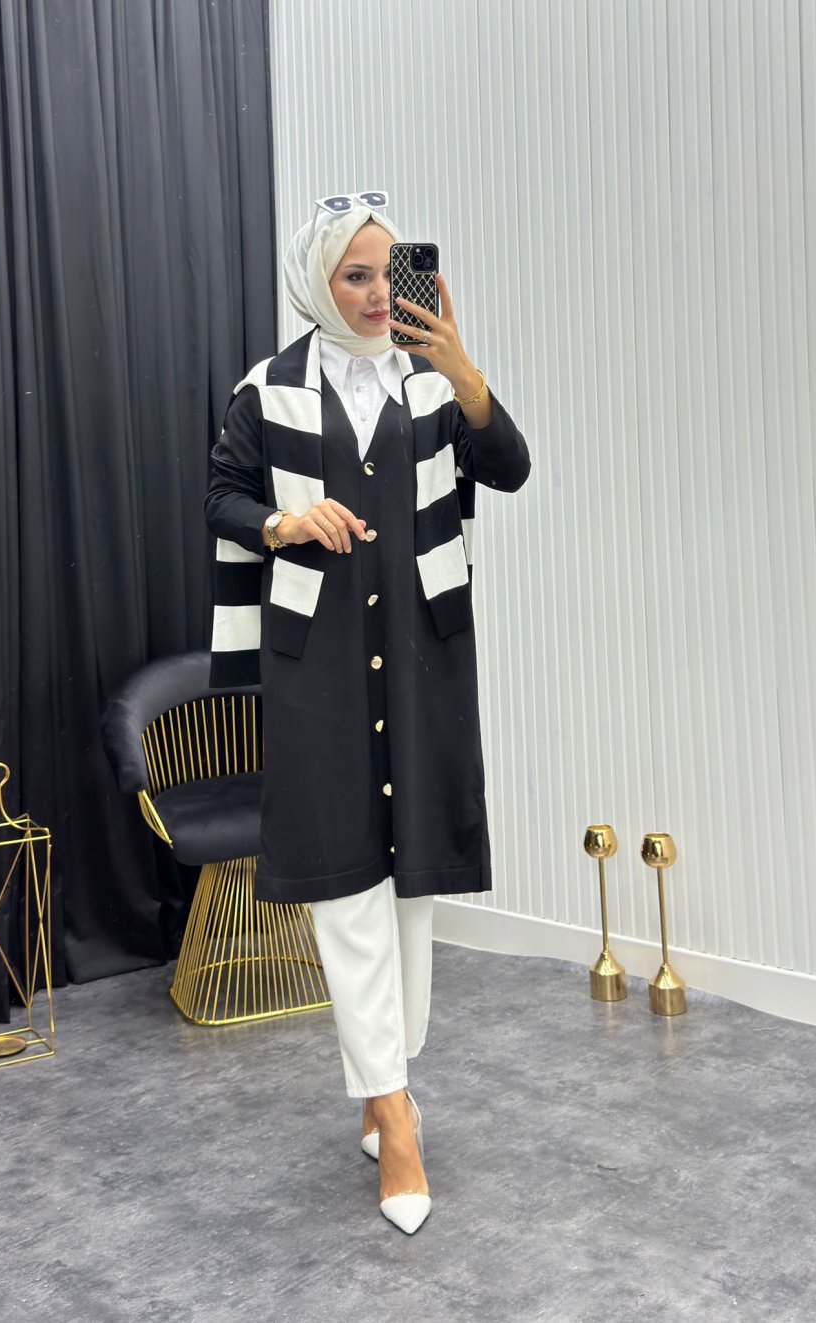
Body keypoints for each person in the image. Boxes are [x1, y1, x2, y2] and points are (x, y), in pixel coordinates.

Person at [205, 192, 530, 1234]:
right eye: (357, 275)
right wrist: (283, 521)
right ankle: (394, 1117)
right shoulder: (268, 390)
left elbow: (509, 469)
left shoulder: (432, 381)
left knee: (410, 890)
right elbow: (222, 496)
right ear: (318, 283)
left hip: (423, 658)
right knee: (346, 886)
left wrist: (465, 372)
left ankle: (387, 1078)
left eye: (391, 273)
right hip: (320, 662)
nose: (380, 294)